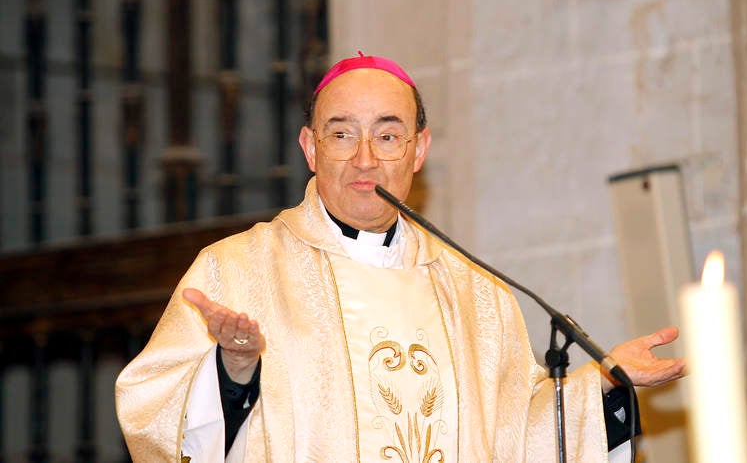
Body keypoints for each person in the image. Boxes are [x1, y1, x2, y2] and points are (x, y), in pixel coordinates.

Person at [116, 52, 685, 462]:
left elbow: (518, 438)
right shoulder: (236, 271)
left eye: (388, 137)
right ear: (311, 149)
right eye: (341, 136)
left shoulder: (475, 292)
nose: (365, 159)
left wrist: (602, 387)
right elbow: (155, 424)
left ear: (419, 150)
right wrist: (232, 372)